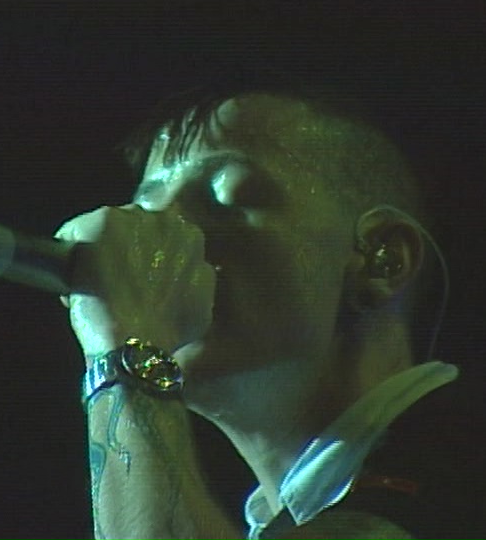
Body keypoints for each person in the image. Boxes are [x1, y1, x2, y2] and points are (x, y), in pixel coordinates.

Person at [54, 80, 459, 540]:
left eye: (224, 196)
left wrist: (128, 346)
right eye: (145, 208)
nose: (158, 232)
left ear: (382, 259)